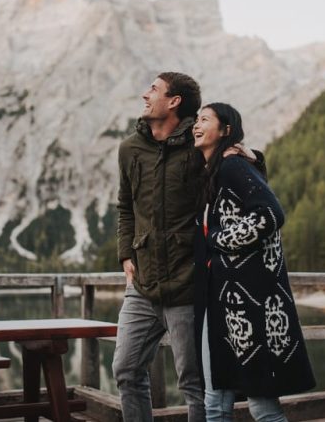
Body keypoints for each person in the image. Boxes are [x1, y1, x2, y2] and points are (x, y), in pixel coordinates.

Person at [192, 103, 316, 422]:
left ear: (226, 130)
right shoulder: (216, 171)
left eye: (204, 120)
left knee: (259, 405)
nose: (196, 125)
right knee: (216, 401)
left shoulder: (233, 166)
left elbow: (270, 214)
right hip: (222, 301)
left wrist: (217, 240)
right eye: (195, 119)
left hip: (246, 303)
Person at [112, 72, 206, 421]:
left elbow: (234, 182)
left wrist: (253, 159)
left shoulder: (200, 144)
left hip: (187, 283)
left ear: (174, 101)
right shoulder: (129, 149)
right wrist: (125, 253)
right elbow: (125, 207)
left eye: (153, 89)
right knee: (126, 369)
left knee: (194, 382)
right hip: (143, 286)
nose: (144, 95)